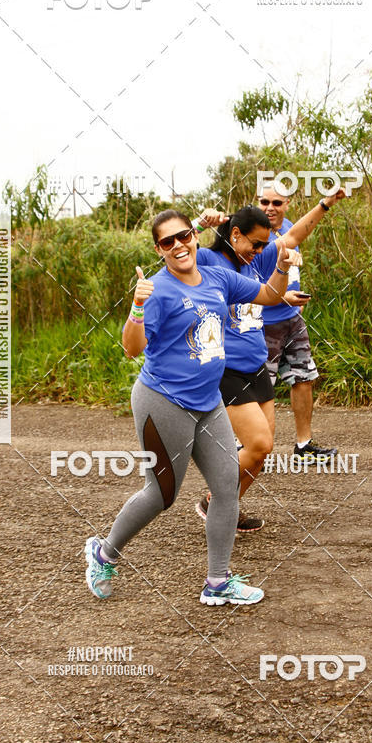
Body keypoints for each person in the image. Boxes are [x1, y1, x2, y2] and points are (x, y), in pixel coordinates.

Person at [84, 209, 290, 606]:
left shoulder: (217, 277)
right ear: (158, 250)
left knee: (227, 485)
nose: (178, 245)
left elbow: (269, 295)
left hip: (208, 400)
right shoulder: (157, 290)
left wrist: (280, 266)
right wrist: (137, 307)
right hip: (163, 401)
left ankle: (218, 582)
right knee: (162, 495)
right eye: (167, 242)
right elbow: (132, 348)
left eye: (183, 236)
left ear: (194, 237)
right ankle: (104, 553)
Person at [194, 206, 308, 532]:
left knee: (260, 453)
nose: (259, 251)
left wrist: (283, 265)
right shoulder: (208, 261)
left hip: (256, 364)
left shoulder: (252, 263)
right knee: (259, 444)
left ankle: (222, 507)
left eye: (263, 246)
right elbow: (174, 256)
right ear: (234, 235)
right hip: (225, 367)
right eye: (255, 244)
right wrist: (198, 224)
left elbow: (272, 294)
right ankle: (218, 504)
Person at [258, 182, 345, 461]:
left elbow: (293, 253)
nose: (270, 208)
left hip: (292, 320)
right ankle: (249, 446)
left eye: (276, 203)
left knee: (303, 379)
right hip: (263, 324)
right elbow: (248, 285)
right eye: (264, 202)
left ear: (287, 205)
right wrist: (283, 298)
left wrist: (292, 302)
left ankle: (303, 445)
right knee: (261, 386)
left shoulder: (288, 228)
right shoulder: (253, 236)